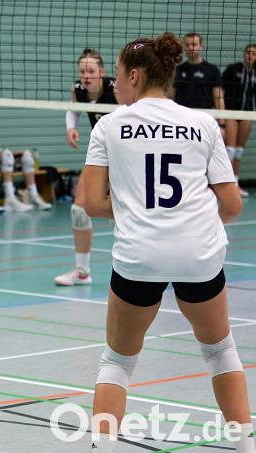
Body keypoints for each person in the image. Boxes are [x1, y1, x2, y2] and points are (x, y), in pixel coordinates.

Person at [82, 32, 253, 453]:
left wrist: (134, 209)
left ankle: (101, 447)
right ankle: (246, 446)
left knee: (118, 361)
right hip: (198, 254)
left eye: (117, 77)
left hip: (139, 256)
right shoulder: (203, 124)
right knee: (219, 351)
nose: (114, 85)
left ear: (135, 76)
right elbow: (231, 206)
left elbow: (89, 202)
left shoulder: (109, 125)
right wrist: (184, 217)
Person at [56, 48, 118, 286]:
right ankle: (82, 272)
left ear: (101, 71)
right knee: (79, 211)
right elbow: (73, 109)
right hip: (99, 155)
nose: (86, 75)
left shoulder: (115, 90)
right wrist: (71, 127)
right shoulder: (79, 89)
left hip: (124, 157)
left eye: (91, 70)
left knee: (123, 213)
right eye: (82, 71)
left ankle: (143, 266)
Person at [222, 44, 256, 198]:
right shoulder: (233, 69)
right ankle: (225, 186)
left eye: (254, 54)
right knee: (229, 151)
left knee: (239, 152)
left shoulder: (255, 74)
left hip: (246, 114)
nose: (250, 56)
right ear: (244, 54)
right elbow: (219, 90)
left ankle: (235, 185)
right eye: (248, 52)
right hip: (231, 113)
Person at [173, 33, 225, 111]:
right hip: (182, 114)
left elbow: (218, 97)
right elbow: (171, 96)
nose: (190, 47)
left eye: (194, 44)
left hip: (204, 114)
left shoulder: (212, 69)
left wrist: (222, 120)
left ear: (201, 46)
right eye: (187, 45)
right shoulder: (178, 69)